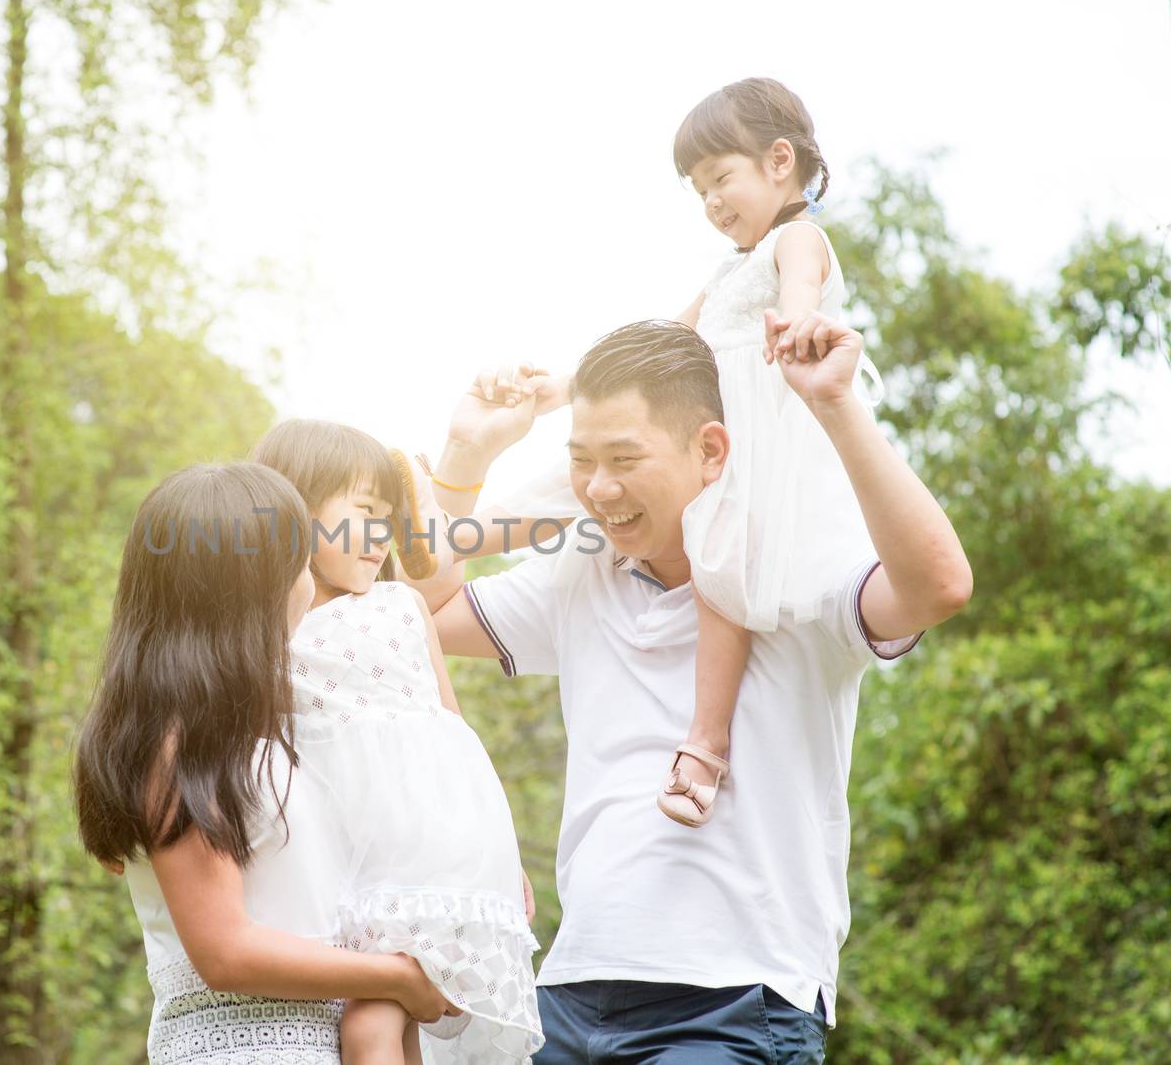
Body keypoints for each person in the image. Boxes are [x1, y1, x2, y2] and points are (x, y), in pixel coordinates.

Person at [425, 312, 973, 1060]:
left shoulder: (794, 569)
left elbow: (939, 585)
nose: (598, 487)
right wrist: (465, 455)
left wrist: (836, 404)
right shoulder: (580, 574)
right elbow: (415, 611)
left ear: (711, 449)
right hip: (569, 991)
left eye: (624, 457)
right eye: (580, 460)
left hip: (734, 1001)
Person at [488, 77, 884, 827]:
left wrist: (794, 326)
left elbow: (801, 289)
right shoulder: (728, 269)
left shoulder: (797, 237)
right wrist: (567, 387)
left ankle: (703, 745)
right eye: (698, 189)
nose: (711, 202)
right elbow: (667, 341)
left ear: (778, 161)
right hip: (690, 433)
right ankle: (451, 534)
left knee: (718, 570)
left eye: (720, 179)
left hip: (748, 448)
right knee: (569, 481)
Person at [72, 462, 459, 1064]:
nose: (310, 583)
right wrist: (397, 979)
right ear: (250, 588)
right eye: (300, 564)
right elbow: (225, 952)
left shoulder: (266, 728)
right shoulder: (175, 742)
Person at [250, 420, 544, 1065]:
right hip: (349, 857)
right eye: (365, 513)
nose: (380, 535)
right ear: (295, 512)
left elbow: (451, 725)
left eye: (389, 518)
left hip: (430, 849)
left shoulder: (401, 606)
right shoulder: (267, 633)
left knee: (376, 1020)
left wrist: (503, 853)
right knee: (385, 1019)